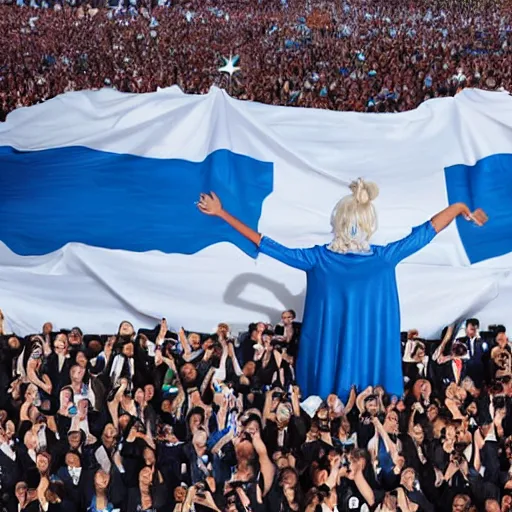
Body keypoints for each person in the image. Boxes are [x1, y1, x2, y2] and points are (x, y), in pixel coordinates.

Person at [196, 180, 488, 398]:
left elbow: (266, 244)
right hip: (368, 367)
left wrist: (223, 213)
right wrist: (461, 207)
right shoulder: (381, 257)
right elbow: (428, 231)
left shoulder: (320, 259)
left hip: (329, 372)